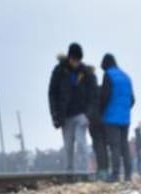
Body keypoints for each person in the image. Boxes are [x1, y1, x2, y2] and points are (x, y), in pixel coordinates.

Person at [49, 42, 94, 172]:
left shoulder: (85, 72)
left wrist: (89, 114)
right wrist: (55, 116)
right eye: (74, 59)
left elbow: (93, 93)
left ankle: (86, 173)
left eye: (78, 60)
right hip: (66, 115)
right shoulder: (59, 71)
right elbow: (52, 94)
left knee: (81, 143)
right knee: (68, 147)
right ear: (69, 58)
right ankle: (69, 174)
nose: (76, 62)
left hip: (82, 115)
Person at [99, 53, 135, 182]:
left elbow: (105, 95)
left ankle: (115, 175)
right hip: (125, 118)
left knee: (115, 146)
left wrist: (101, 111)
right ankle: (128, 174)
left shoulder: (108, 75)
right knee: (124, 145)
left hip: (111, 117)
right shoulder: (126, 77)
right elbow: (132, 99)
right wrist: (124, 110)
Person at [86, 67, 109, 180]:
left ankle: (102, 170)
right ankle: (104, 170)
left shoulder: (87, 90)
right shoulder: (100, 89)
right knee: (103, 146)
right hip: (103, 120)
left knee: (98, 145)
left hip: (94, 120)